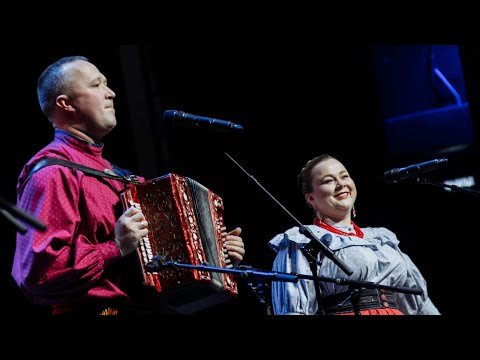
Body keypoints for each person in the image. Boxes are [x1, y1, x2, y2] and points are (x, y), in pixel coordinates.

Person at [11, 55, 245, 315]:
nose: (110, 93)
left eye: (107, 84)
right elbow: (39, 277)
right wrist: (117, 246)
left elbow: (161, 267)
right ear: (65, 104)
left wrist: (215, 256)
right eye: (96, 85)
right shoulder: (52, 173)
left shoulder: (123, 178)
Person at [268, 154, 440, 315]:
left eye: (344, 176)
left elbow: (421, 304)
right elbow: (292, 309)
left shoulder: (382, 238)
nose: (340, 184)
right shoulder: (301, 240)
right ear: (311, 199)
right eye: (328, 180)